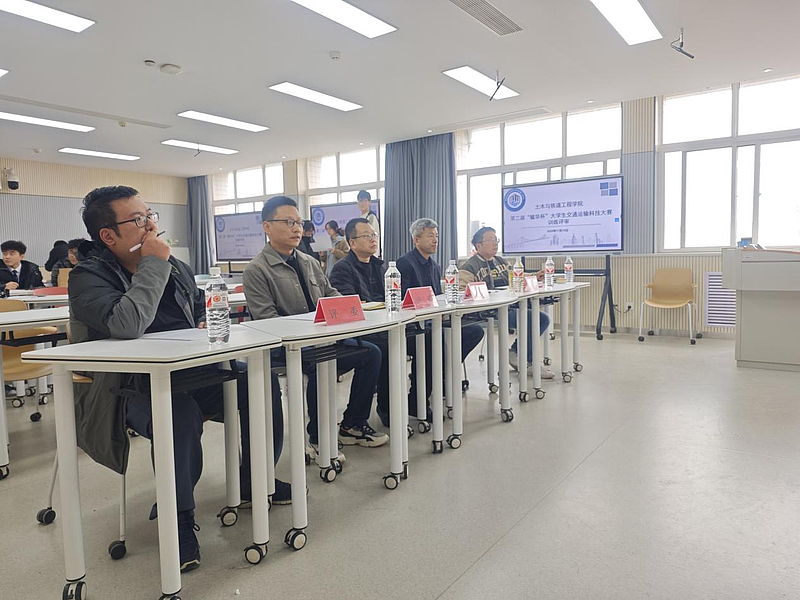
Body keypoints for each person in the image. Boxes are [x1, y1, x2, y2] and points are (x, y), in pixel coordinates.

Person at [68, 186, 289, 574]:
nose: (151, 225)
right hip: (129, 389)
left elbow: (201, 310)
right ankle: (178, 516)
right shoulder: (88, 277)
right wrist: (154, 264)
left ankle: (254, 479)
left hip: (194, 372)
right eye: (138, 220)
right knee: (177, 411)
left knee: (259, 380)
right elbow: (126, 324)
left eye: (150, 215)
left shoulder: (176, 268)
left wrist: (203, 322)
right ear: (108, 235)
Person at [243, 196, 387, 461]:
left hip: (322, 339)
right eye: (288, 222)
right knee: (321, 362)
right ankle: (319, 437)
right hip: (288, 347)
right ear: (267, 227)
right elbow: (266, 320)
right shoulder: (257, 269)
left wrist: (350, 308)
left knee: (371, 353)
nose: (297, 228)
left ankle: (352, 424)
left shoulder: (308, 262)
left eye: (298, 222)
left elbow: (331, 294)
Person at [396, 218, 484, 410]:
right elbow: (402, 301)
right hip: (413, 326)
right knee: (431, 341)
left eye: (436, 236)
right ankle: (417, 400)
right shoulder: (405, 264)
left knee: (474, 331)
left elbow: (437, 297)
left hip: (435, 321)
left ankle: (442, 372)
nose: (435, 240)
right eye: (430, 236)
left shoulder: (435, 266)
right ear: (416, 240)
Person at [459, 227, 554, 378]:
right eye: (491, 240)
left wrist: (535, 276)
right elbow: (462, 292)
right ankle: (526, 361)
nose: (495, 243)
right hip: (489, 311)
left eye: (496, 240)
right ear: (478, 245)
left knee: (541, 318)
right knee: (533, 319)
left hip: (508, 306)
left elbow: (516, 277)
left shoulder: (501, 261)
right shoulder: (469, 267)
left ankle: (515, 353)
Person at [329, 218, 395, 425]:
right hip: (358, 331)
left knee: (423, 338)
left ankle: (410, 403)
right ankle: (370, 414)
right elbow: (348, 306)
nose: (373, 239)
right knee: (386, 348)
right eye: (367, 236)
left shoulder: (380, 266)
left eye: (374, 235)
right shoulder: (342, 268)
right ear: (353, 243)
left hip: (382, 325)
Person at [357, 190, 381, 256]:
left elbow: (374, 237)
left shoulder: (371, 217)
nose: (362, 203)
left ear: (369, 202)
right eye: (360, 201)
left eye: (365, 201)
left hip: (370, 254)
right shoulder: (360, 218)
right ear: (358, 203)